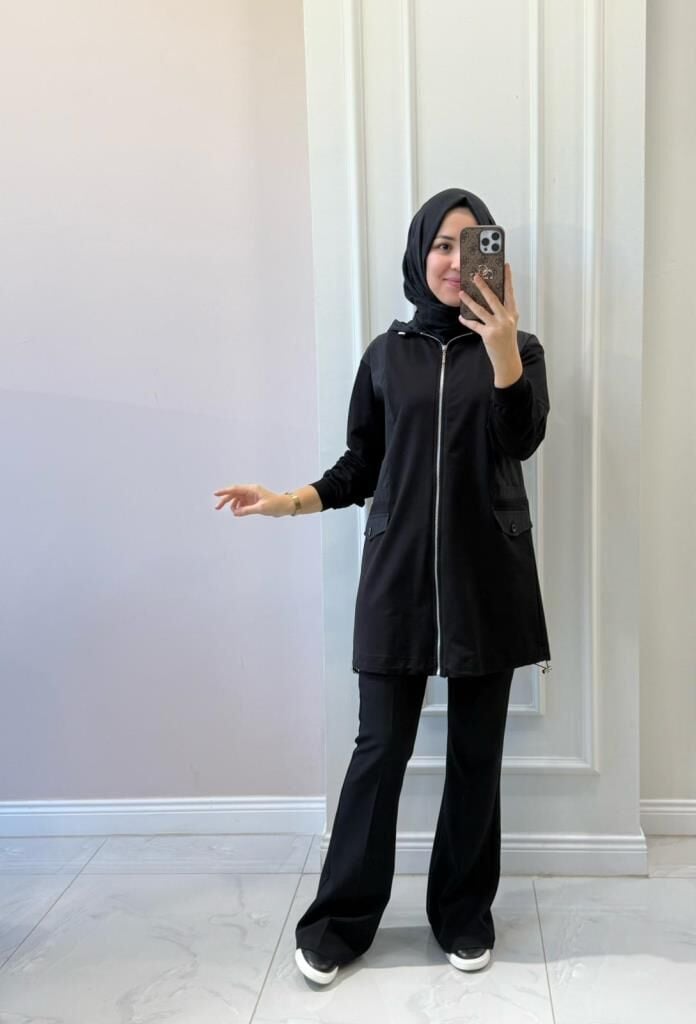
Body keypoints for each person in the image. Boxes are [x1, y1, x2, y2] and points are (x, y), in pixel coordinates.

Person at [213, 187, 551, 986]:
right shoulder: (385, 354)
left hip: (487, 577)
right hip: (398, 577)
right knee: (379, 750)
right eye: (441, 244)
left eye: (472, 244)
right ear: (418, 254)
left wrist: (503, 347)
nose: (455, 260)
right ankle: (340, 922)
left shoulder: (522, 347)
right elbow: (362, 464)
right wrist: (287, 500)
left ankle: (462, 914)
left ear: (494, 258)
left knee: (476, 755)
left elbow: (522, 438)